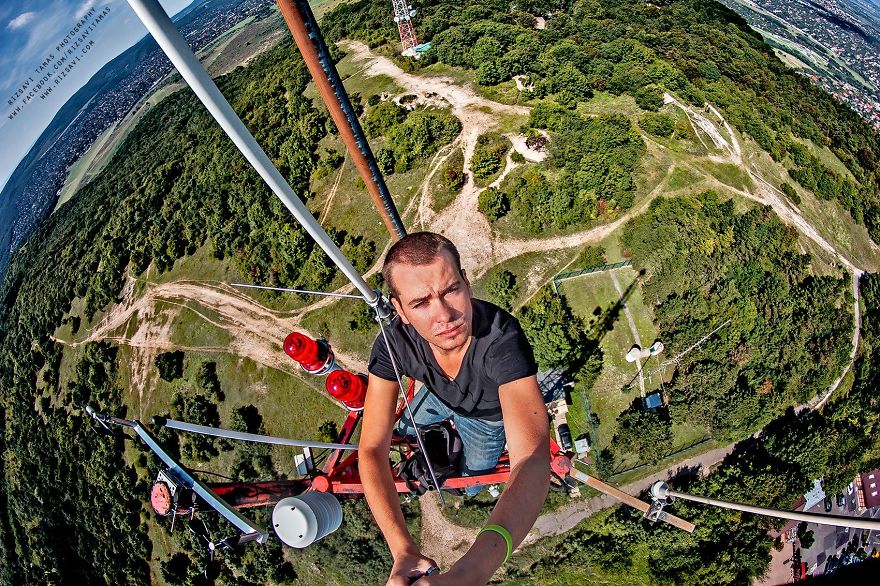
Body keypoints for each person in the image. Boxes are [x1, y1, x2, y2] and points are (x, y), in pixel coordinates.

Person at [359, 232, 550, 585]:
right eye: (421, 303)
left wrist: (470, 573)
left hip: (486, 419)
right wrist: (402, 550)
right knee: (402, 434)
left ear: (466, 281)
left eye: (450, 290)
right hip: (438, 397)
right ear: (399, 310)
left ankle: (463, 483)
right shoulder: (393, 343)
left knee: (472, 481)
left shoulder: (501, 340)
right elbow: (371, 448)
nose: (444, 315)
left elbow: (532, 459)